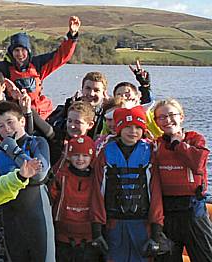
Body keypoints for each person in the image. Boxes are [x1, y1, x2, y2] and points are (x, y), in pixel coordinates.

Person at [0, 16, 81, 120]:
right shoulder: (3, 69)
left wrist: (72, 35)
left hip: (40, 115)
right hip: (15, 116)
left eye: (23, 50)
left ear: (29, 51)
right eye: (16, 50)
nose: (20, 54)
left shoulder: (39, 65)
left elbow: (61, 56)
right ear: (11, 52)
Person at [91, 106, 168, 261]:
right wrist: (97, 232)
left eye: (137, 127)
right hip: (114, 224)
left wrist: (156, 233)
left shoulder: (150, 153)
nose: (133, 131)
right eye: (127, 127)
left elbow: (155, 194)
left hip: (142, 224)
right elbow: (97, 193)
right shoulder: (106, 153)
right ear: (119, 128)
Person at [0, 101, 53, 262]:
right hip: (11, 221)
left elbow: (39, 175)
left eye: (10, 122)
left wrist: (13, 150)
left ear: (22, 121)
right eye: (1, 126)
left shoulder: (37, 143)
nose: (6, 129)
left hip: (38, 218)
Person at [152, 99, 212, 261]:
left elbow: (198, 163)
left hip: (192, 210)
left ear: (181, 117)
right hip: (167, 211)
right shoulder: (156, 145)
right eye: (161, 117)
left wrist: (178, 144)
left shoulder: (194, 139)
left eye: (171, 115)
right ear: (156, 122)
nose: (167, 120)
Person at [49, 135, 99, 261]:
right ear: (69, 156)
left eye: (85, 155)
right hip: (63, 236)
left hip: (89, 236)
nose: (80, 159)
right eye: (76, 155)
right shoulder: (61, 176)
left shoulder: (97, 177)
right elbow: (51, 196)